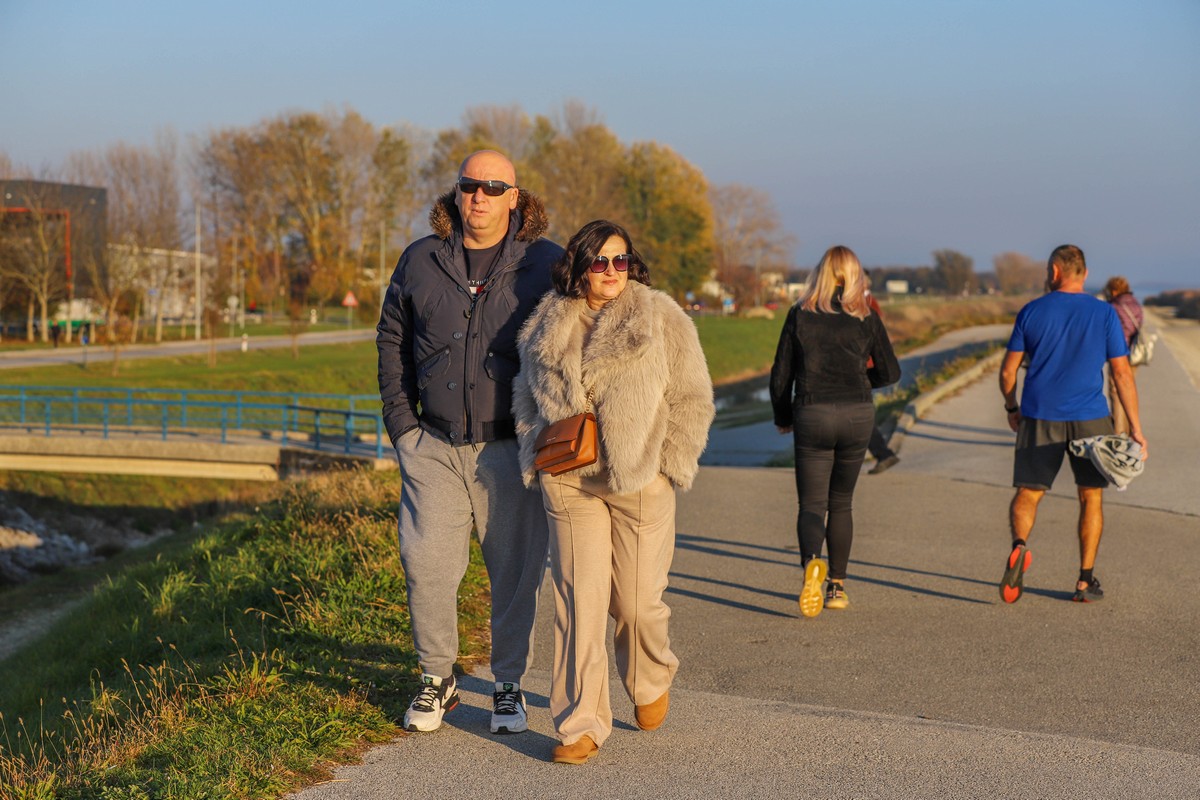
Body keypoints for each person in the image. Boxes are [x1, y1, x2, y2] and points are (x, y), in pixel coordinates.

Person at [512, 220, 714, 765]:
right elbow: (524, 397)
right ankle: (580, 723)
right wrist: (535, 457)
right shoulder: (546, 323)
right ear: (578, 266)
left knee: (636, 604)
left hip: (638, 481)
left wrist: (668, 467)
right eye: (598, 261)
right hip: (569, 480)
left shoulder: (661, 317)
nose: (610, 271)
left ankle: (649, 677)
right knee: (579, 602)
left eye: (619, 260)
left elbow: (693, 396)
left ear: (632, 265)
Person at [376, 150, 562, 735]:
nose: (479, 196)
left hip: (509, 447)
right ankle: (437, 678)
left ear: (514, 197)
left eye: (493, 187)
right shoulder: (421, 258)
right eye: (469, 185)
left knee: (514, 574)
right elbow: (391, 339)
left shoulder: (545, 263)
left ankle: (508, 684)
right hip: (431, 444)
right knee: (426, 564)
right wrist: (403, 426)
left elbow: (585, 327)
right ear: (457, 192)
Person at [998, 245, 1148, 604]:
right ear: (1084, 273)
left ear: (1054, 271)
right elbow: (1122, 374)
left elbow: (1007, 372)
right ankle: (1084, 581)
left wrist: (1012, 407)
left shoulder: (1032, 311)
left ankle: (1019, 546)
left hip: (1039, 415)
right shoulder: (1105, 313)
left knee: (1029, 493)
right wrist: (1136, 429)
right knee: (1090, 496)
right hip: (1090, 419)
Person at [769, 246, 901, 618]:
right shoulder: (866, 315)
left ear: (820, 273)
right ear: (856, 275)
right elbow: (891, 372)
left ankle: (813, 562)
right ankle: (837, 587)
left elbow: (781, 375)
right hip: (856, 415)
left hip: (812, 413)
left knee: (812, 504)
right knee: (841, 502)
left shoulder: (800, 314)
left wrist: (783, 416)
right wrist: (858, 381)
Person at [863, 280, 900, 474]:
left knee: (862, 416)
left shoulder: (868, 303)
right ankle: (883, 454)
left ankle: (883, 454)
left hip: (866, 366)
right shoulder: (864, 301)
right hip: (864, 366)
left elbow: (876, 329)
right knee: (862, 416)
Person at [1103, 276, 1144, 436]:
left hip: (1119, 353)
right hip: (1134, 353)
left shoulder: (1113, 306)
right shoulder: (1136, 303)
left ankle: (1119, 433)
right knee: (1129, 391)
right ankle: (1128, 429)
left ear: (1113, 290)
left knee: (1116, 393)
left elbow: (1112, 331)